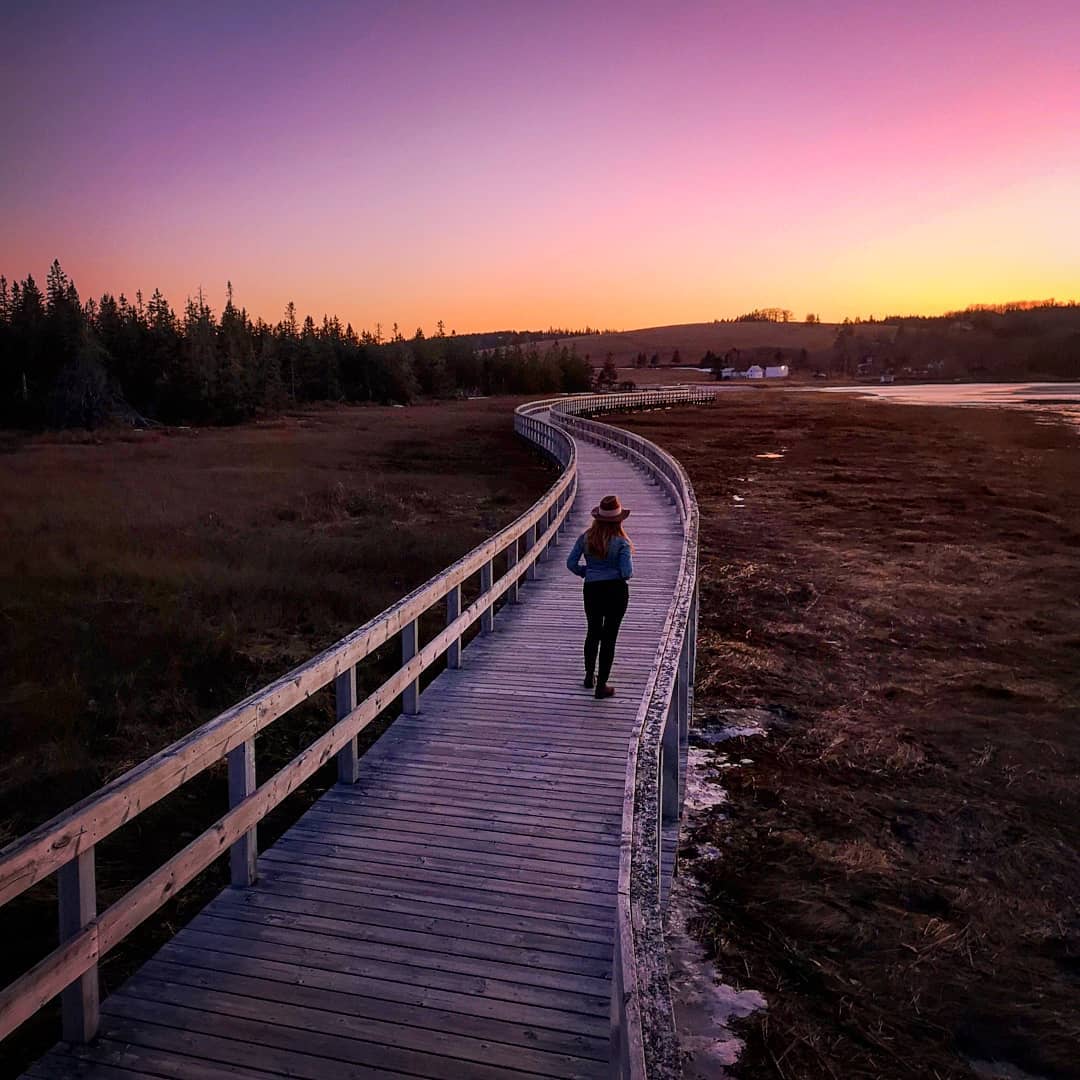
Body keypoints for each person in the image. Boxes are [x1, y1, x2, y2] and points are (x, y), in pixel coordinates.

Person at [565, 494, 634, 699]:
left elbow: (571, 564)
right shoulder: (622, 543)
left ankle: (589, 676)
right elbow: (627, 573)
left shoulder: (585, 538)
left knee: (593, 631)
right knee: (609, 637)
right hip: (615, 590)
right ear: (619, 520)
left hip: (592, 589)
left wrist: (586, 572)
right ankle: (601, 685)